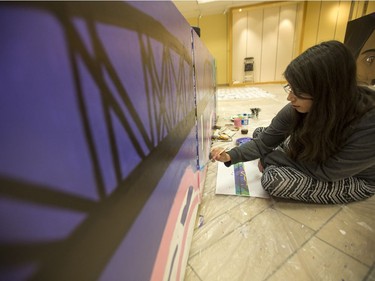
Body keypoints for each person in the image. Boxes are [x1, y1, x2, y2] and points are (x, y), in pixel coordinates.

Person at [211, 40, 375, 204]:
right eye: (290, 88)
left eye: (299, 91)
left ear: (327, 92)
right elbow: (263, 142)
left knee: (274, 181)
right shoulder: (302, 106)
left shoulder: (368, 124)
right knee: (262, 134)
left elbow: (328, 171)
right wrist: (230, 156)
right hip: (315, 154)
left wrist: (270, 157)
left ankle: (275, 158)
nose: (290, 97)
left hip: (350, 176)